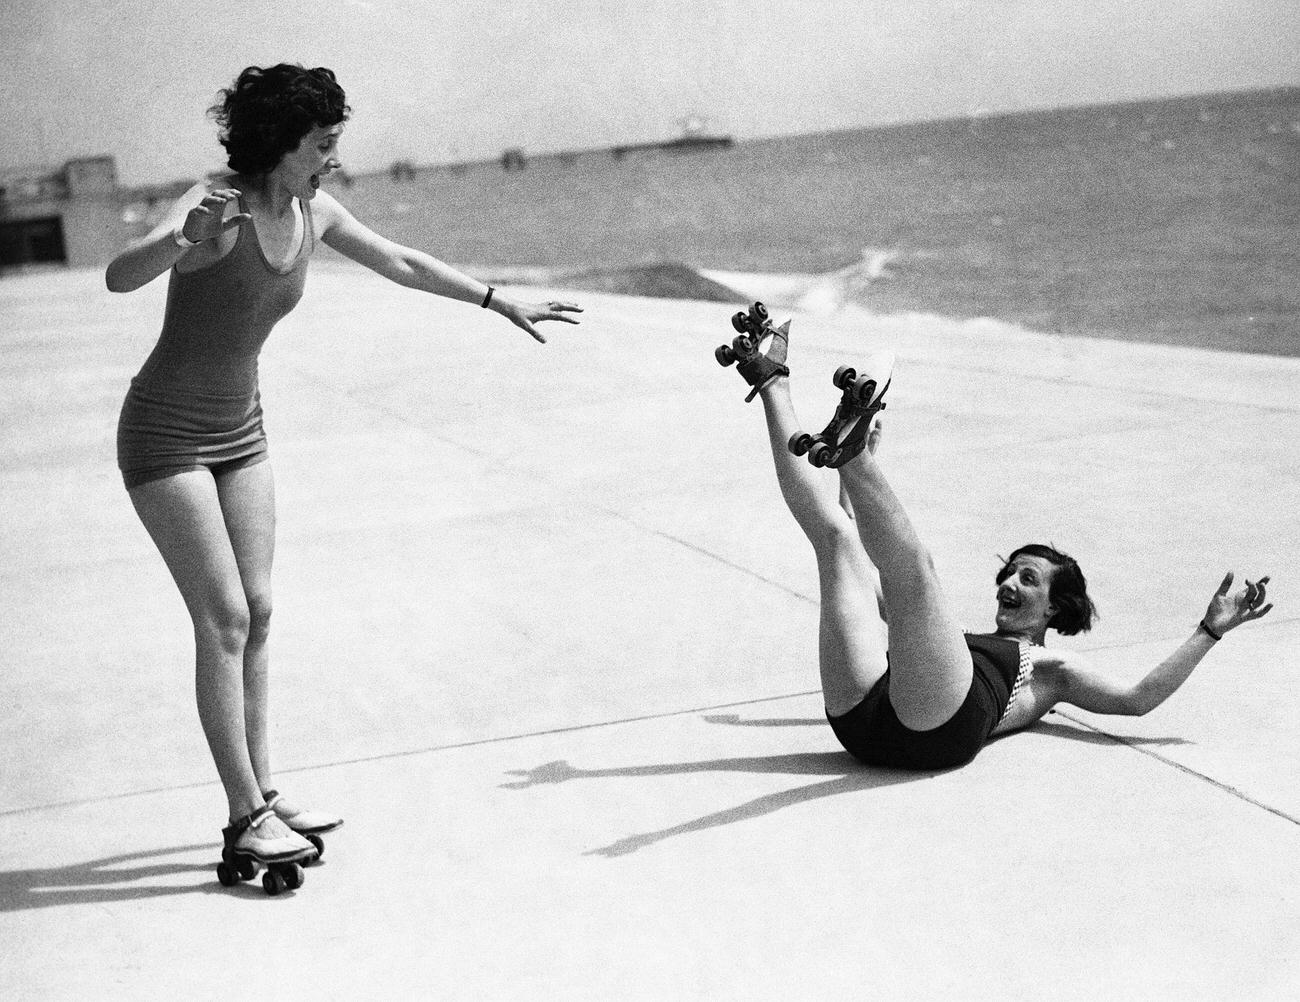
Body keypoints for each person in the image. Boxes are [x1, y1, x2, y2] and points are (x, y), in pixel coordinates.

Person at [106, 64, 583, 865]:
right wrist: (180, 240)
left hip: (241, 431)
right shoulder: (212, 203)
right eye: (322, 143)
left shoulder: (312, 210)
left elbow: (400, 260)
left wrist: (499, 300)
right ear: (280, 142)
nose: (332, 156)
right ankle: (242, 816)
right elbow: (122, 275)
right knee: (221, 616)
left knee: (258, 609)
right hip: (166, 436)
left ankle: (264, 789)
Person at [719, 303, 1273, 770]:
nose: (1009, 581)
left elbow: (1137, 700)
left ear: (1057, 608)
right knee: (835, 543)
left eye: (1028, 578)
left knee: (918, 572)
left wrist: (1210, 630)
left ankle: (855, 454)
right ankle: (772, 381)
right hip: (862, 724)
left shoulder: (1052, 675)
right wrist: (842, 475)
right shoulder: (948, 643)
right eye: (1010, 571)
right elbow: (864, 557)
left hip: (937, 731)